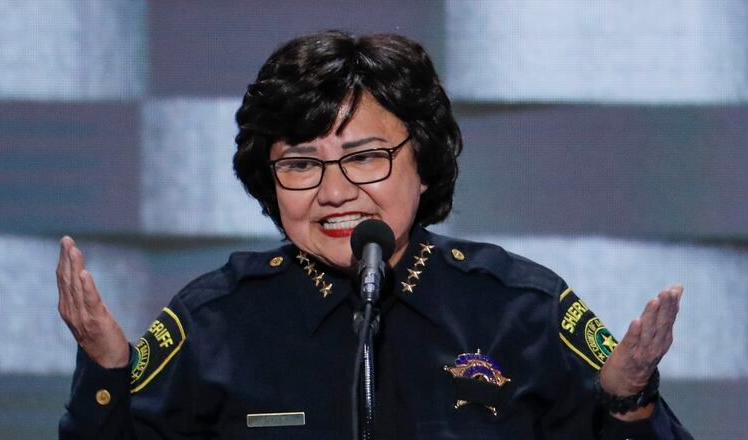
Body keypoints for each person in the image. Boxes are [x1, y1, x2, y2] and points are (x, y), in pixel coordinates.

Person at [57, 31, 692, 439]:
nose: (334, 192)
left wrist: (627, 401)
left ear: (425, 163)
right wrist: (108, 372)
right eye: (300, 164)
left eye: (365, 158)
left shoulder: (522, 309)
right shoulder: (212, 321)